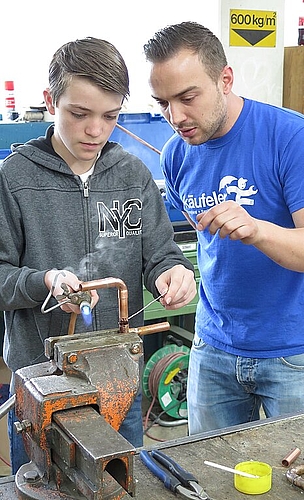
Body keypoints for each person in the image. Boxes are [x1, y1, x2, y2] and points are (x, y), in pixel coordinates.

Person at [0, 36, 197, 473]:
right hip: (42, 382)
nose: (95, 130)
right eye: (80, 114)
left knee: (115, 482)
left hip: (118, 380)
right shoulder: (14, 179)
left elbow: (160, 255)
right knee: (41, 483)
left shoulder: (132, 174)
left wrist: (173, 272)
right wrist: (42, 281)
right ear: (51, 101)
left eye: (110, 116)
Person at [143, 21, 304, 436]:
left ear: (225, 79)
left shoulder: (291, 138)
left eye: (187, 97)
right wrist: (173, 269)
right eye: (162, 103)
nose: (175, 116)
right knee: (211, 475)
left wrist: (258, 231)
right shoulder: (176, 156)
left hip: (292, 353)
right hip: (212, 348)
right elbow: (192, 241)